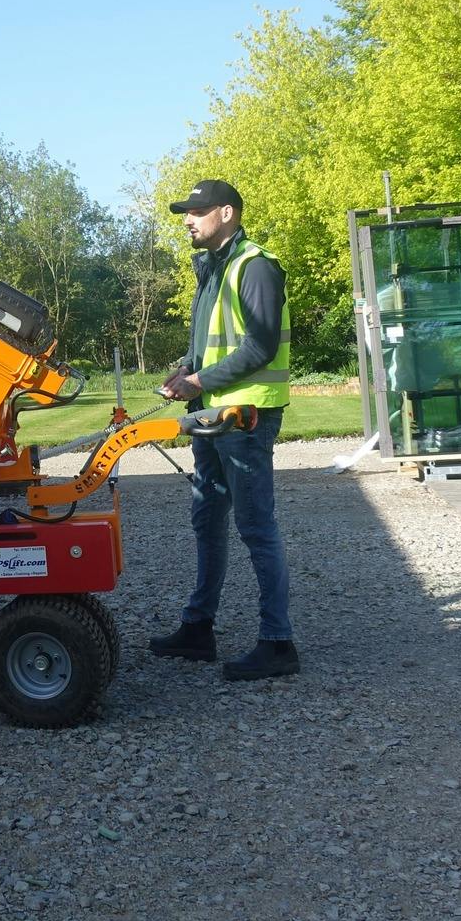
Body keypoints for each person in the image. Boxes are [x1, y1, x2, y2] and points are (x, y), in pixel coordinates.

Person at [147, 179, 298, 680]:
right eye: (185, 212)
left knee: (256, 527)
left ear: (227, 213)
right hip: (215, 418)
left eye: (197, 210)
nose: (187, 219)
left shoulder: (254, 266)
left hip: (245, 419)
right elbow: (207, 342)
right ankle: (198, 630)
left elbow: (259, 346)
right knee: (206, 519)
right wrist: (184, 371)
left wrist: (197, 381)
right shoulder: (214, 268)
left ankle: (278, 644)